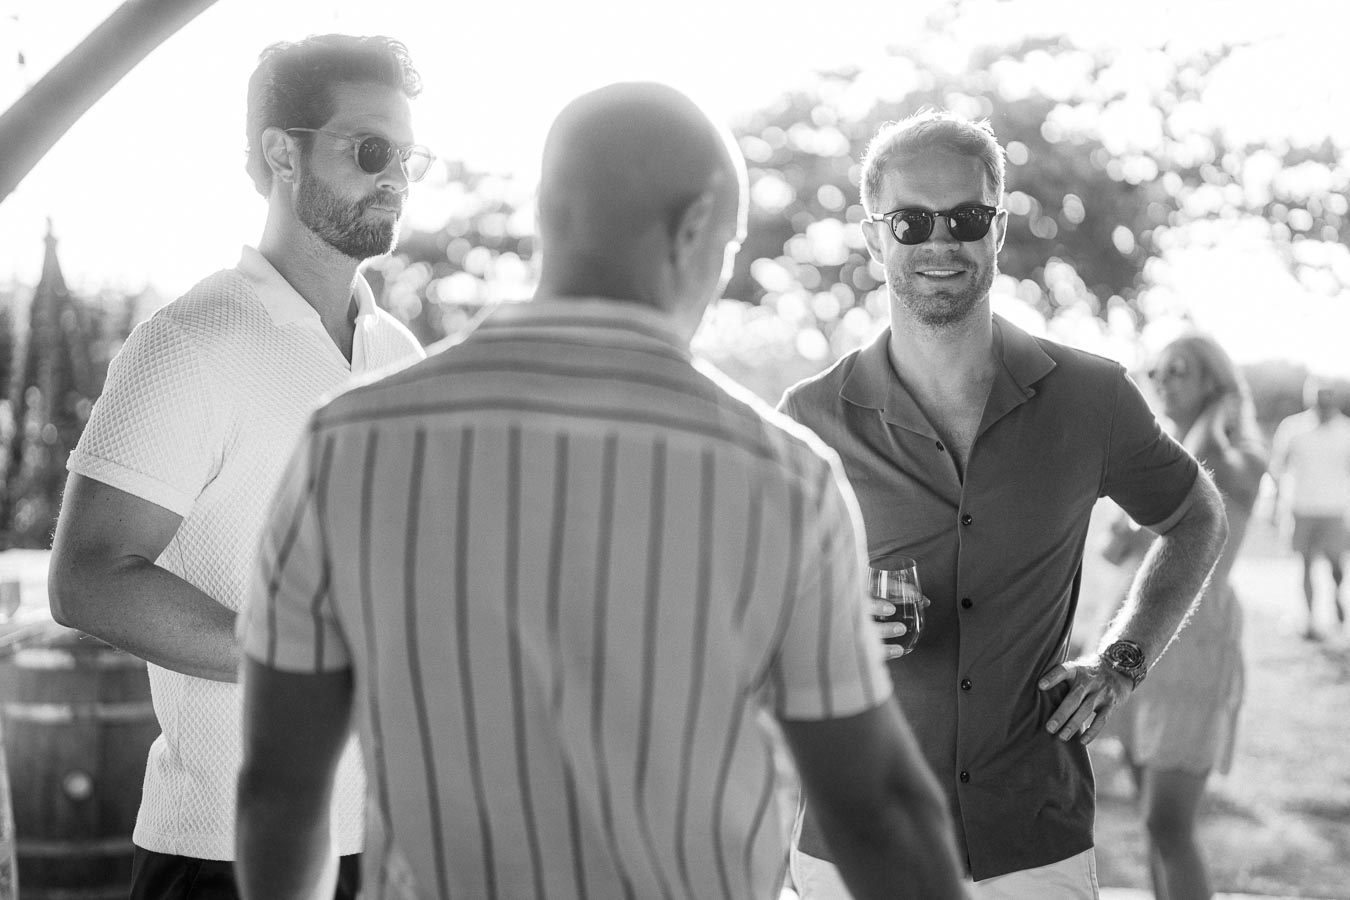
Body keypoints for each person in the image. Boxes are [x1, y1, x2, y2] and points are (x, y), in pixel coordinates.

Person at [234, 82, 969, 900]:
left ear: (547, 211)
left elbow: (279, 793)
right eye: (725, 253)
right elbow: (875, 811)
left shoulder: (347, 444)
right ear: (695, 230)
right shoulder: (784, 476)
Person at [777, 109, 1229, 898]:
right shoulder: (810, 417)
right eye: (911, 221)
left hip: (1034, 840)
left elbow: (1196, 516)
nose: (940, 241)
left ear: (999, 227)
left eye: (966, 217)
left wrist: (1123, 660)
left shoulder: (1093, 397)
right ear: (875, 236)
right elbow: (746, 609)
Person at [46, 34, 429, 899]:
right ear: (278, 154)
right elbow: (87, 580)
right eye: (372, 151)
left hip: (386, 851)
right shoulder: (190, 343)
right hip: (219, 856)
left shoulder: (399, 351)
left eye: (410, 157)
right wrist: (304, 665)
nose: (396, 176)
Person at [1106, 334, 1266, 900]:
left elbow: (1217, 479)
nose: (1162, 382)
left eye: (1178, 372)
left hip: (1197, 646)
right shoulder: (1165, 460)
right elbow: (1124, 551)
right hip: (1140, 643)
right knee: (1150, 822)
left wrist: (1212, 421)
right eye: (1157, 372)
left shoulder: (1236, 455)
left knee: (1168, 823)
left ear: (1213, 384)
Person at [1271, 375, 1350, 639]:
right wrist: (1273, 505)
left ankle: (1338, 595)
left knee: (1336, 565)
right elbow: (1278, 469)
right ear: (1310, 399)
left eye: (1327, 397)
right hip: (1301, 509)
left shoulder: (1346, 431)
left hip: (1334, 510)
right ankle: (1311, 620)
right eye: (1318, 398)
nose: (1323, 402)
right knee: (1305, 564)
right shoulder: (1293, 428)